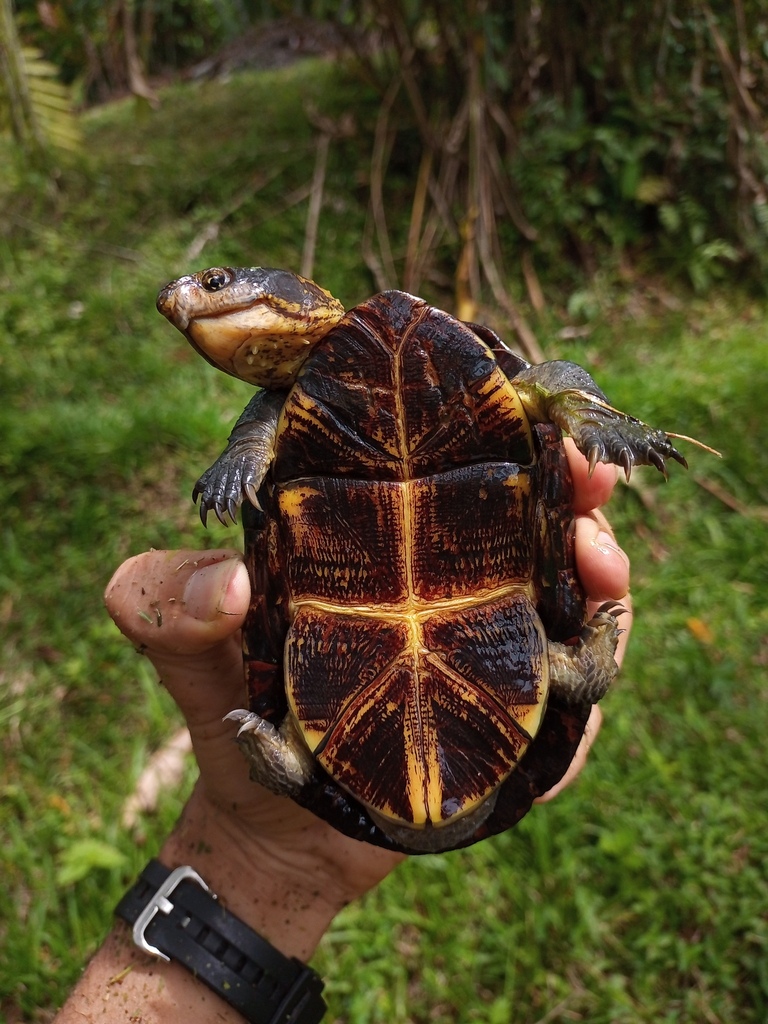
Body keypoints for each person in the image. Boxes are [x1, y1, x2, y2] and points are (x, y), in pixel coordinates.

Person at [54, 446, 631, 1023]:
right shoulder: (534, 684)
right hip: (477, 456)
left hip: (328, 463)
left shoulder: (309, 757)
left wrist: (255, 857)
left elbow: (285, 766)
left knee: (273, 435)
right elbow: (579, 673)